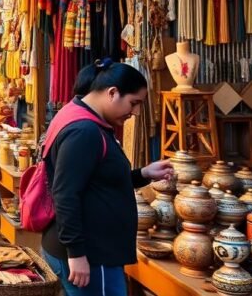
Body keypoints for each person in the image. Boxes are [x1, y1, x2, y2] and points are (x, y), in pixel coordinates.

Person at [42, 60, 175, 295]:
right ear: (113, 93)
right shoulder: (84, 131)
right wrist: (77, 253)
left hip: (92, 251)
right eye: (134, 103)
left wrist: (143, 174)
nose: (135, 112)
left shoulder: (80, 116)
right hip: (92, 256)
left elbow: (97, 179)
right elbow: (66, 194)